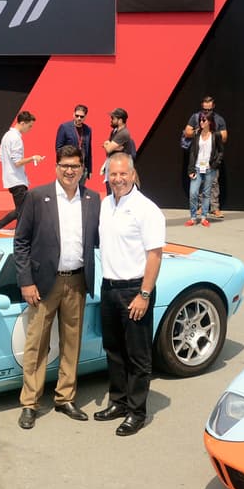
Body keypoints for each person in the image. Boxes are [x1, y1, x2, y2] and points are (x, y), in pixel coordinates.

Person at [12, 144, 100, 430]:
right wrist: (26, 281)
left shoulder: (92, 199)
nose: (70, 171)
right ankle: (30, 403)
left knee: (71, 342)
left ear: (82, 169)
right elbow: (21, 242)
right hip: (43, 284)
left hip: (77, 280)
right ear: (56, 167)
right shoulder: (37, 197)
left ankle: (65, 398)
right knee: (36, 344)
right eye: (65, 166)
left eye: (75, 166)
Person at [96, 152, 165, 436]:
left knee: (138, 356)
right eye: (113, 174)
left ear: (133, 175)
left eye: (123, 174)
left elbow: (155, 256)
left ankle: (137, 412)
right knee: (114, 351)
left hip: (134, 290)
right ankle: (119, 401)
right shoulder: (105, 204)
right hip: (109, 288)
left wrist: (144, 294)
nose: (118, 179)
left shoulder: (147, 209)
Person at [0, 110, 43, 229]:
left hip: (11, 178)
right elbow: (17, 162)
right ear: (23, 123)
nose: (30, 129)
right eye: (29, 126)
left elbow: (1, 157)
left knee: (22, 209)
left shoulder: (7, 136)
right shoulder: (16, 139)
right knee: (22, 209)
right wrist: (33, 158)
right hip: (17, 179)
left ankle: (6, 228)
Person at [184, 96, 228, 217]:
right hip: (198, 157)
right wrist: (199, 131)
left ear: (213, 106)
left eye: (209, 110)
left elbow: (224, 137)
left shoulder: (219, 119)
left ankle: (214, 208)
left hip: (211, 158)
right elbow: (187, 132)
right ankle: (200, 207)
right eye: (205, 109)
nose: (206, 112)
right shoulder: (196, 117)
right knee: (198, 184)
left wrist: (212, 133)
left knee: (213, 183)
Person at [186, 110, 222, 226]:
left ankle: (203, 218)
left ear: (210, 122)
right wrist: (190, 169)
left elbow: (220, 151)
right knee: (193, 193)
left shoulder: (215, 135)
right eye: (200, 120)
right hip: (197, 167)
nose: (201, 122)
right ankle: (193, 217)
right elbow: (192, 152)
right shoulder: (196, 134)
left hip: (209, 168)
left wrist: (216, 164)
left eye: (204, 120)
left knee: (207, 194)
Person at [54, 104, 92, 191]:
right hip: (69, 166)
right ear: (73, 114)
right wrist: (63, 164)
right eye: (77, 115)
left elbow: (89, 150)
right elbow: (58, 148)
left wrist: (89, 169)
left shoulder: (88, 129)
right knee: (67, 190)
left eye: (81, 116)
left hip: (82, 167)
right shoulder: (64, 127)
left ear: (85, 117)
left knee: (80, 191)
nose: (79, 118)